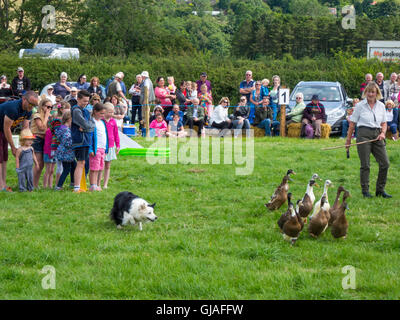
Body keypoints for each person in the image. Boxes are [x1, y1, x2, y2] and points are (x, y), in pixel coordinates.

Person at [346, 82, 391, 198]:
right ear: (365, 93)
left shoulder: (381, 106)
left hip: (377, 135)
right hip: (363, 134)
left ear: (377, 93)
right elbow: (352, 124)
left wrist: (383, 133)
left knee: (385, 163)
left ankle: (380, 190)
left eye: (373, 92)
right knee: (365, 165)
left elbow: (384, 123)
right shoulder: (360, 106)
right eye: (369, 92)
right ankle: (365, 191)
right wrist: (348, 141)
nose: (370, 94)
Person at [0, 91, 37, 192]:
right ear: (24, 99)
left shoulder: (28, 111)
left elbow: (25, 129)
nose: (32, 107)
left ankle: (3, 184)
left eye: (35, 105)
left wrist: (23, 146)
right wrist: (13, 147)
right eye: (31, 104)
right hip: (3, 129)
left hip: (3, 130)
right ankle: (0, 186)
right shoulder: (13, 108)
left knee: (4, 158)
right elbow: (7, 128)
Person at [71, 90, 95, 193]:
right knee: (80, 162)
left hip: (86, 140)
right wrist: (86, 127)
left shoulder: (86, 111)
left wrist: (85, 128)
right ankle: (76, 187)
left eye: (87, 101)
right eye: (84, 101)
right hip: (79, 141)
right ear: (78, 99)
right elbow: (85, 124)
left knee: (83, 162)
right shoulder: (76, 110)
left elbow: (92, 125)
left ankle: (79, 185)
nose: (86, 103)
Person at [31, 98, 52, 188]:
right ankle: (31, 184)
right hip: (37, 139)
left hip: (44, 140)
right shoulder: (37, 115)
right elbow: (41, 128)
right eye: (48, 106)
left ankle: (35, 184)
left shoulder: (47, 115)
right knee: (38, 163)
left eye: (51, 107)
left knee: (42, 164)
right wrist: (47, 116)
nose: (49, 109)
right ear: (42, 106)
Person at [89, 103, 108, 192]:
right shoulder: (92, 122)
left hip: (102, 148)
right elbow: (89, 137)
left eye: (103, 114)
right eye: (101, 113)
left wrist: (106, 147)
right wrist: (90, 149)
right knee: (94, 168)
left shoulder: (102, 122)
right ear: (95, 112)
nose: (102, 115)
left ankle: (97, 184)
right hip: (95, 148)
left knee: (100, 167)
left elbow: (105, 135)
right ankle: (93, 185)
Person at [55, 111, 76, 190]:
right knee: (66, 170)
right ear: (69, 119)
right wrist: (75, 143)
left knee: (74, 165)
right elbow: (67, 142)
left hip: (65, 153)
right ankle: (59, 186)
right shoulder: (66, 130)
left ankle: (73, 182)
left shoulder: (61, 128)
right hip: (66, 153)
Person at [102, 102, 120, 189]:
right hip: (102, 146)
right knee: (100, 165)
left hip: (111, 146)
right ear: (104, 111)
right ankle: (97, 183)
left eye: (113, 112)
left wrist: (118, 145)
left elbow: (116, 134)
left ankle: (105, 184)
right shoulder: (101, 121)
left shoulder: (113, 121)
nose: (112, 114)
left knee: (108, 165)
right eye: (110, 112)